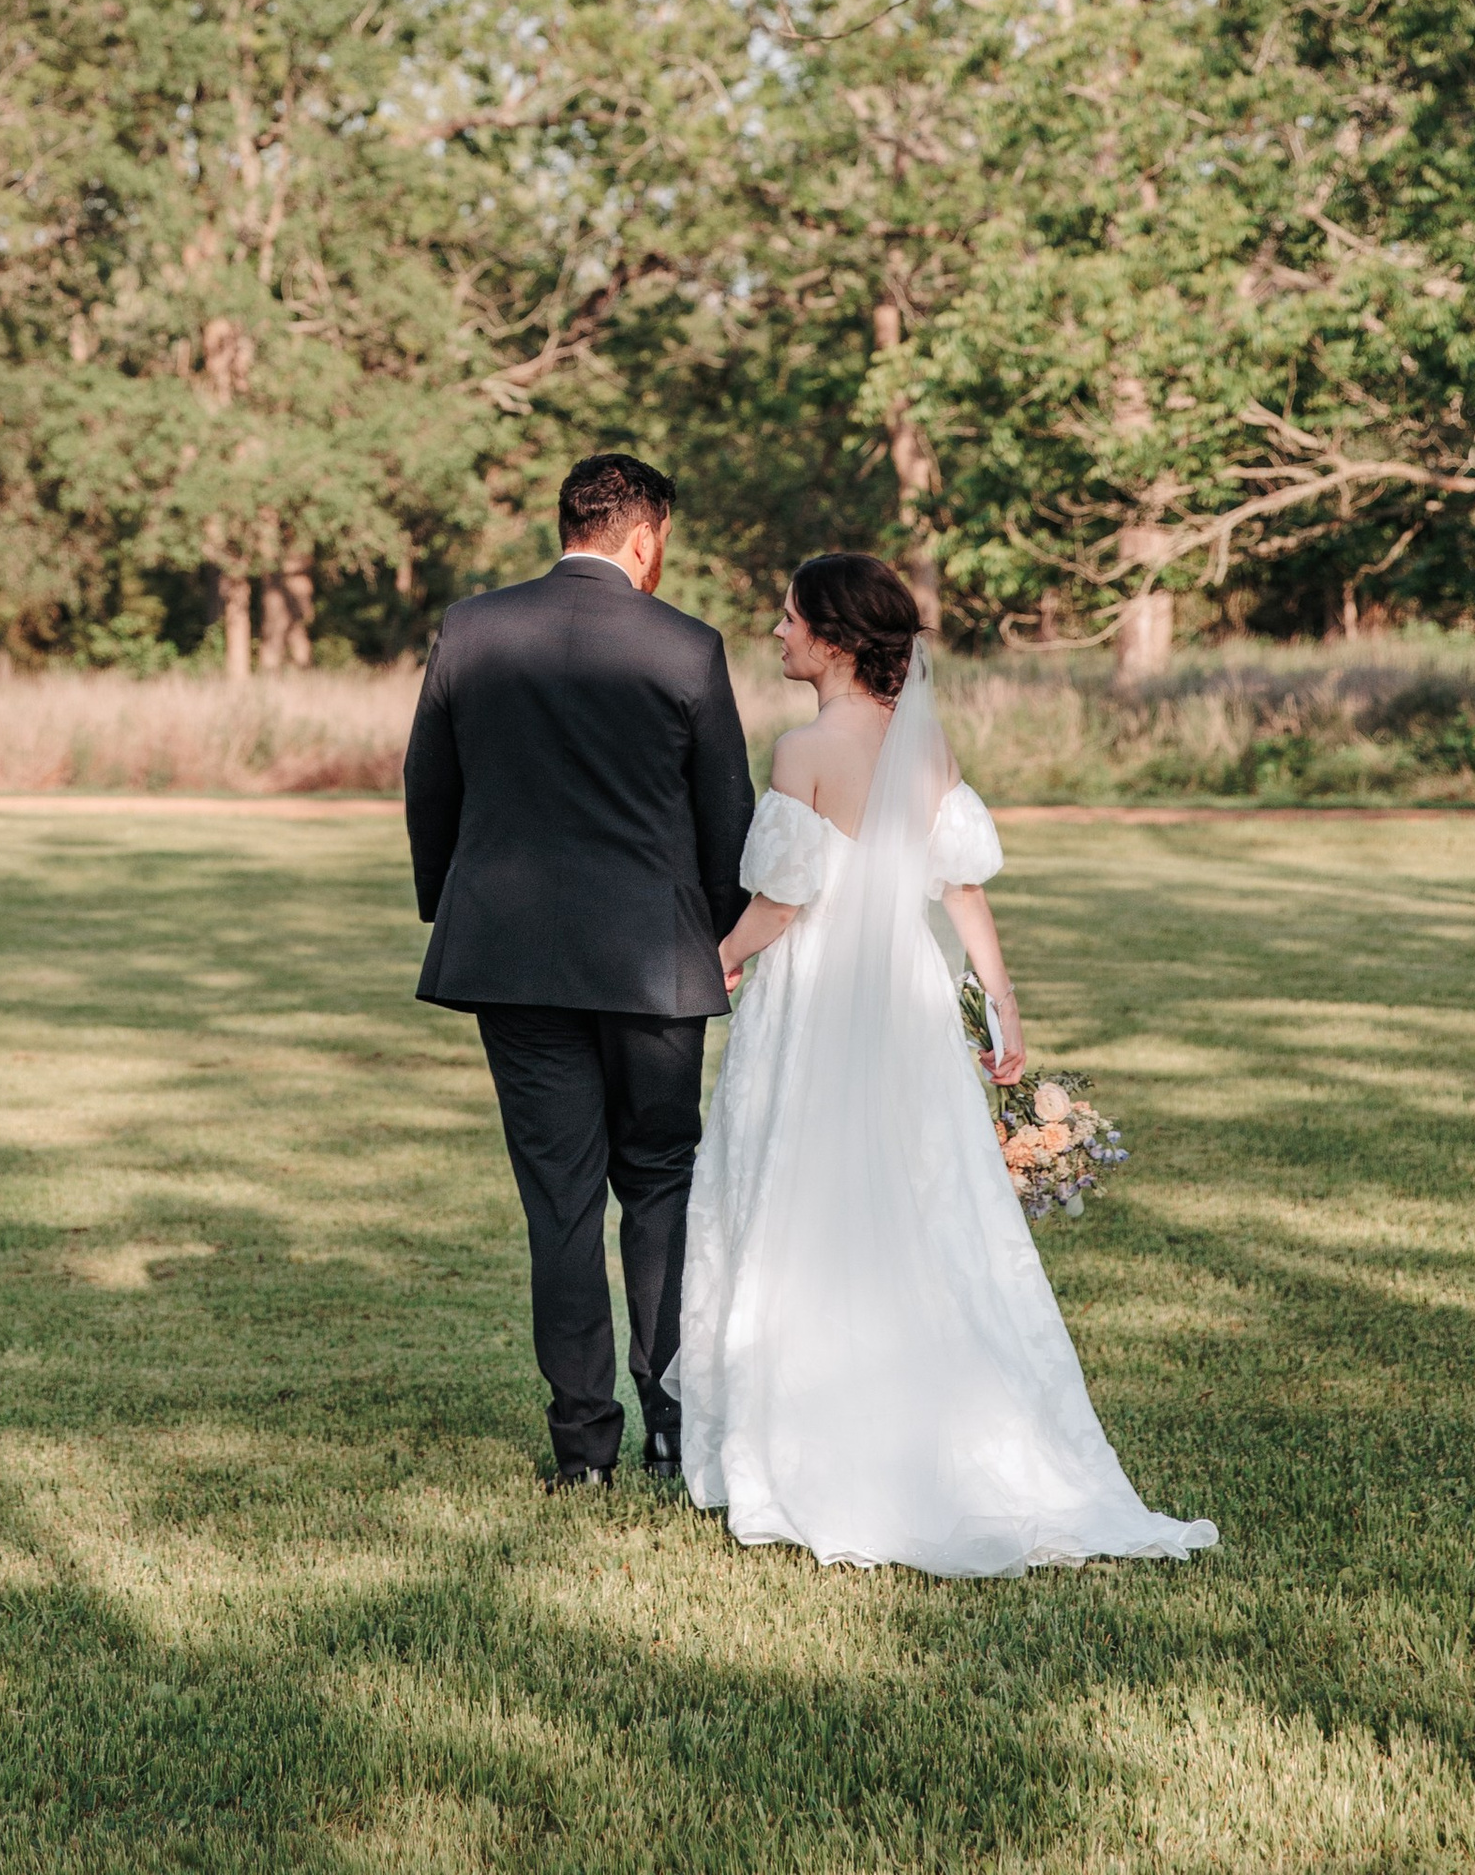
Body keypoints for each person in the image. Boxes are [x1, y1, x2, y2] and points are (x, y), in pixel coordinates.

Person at [672, 550, 1217, 1575]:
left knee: (801, 1195)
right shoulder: (927, 748)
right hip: (908, 1003)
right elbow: (962, 891)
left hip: (814, 1000)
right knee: (923, 1198)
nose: (777, 632)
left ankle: (807, 1443)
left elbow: (782, 904)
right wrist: (1001, 1006)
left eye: (789, 618)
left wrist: (715, 960)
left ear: (835, 639)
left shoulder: (801, 752)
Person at [403, 452, 755, 1488]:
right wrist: (726, 937)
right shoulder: (685, 645)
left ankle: (583, 1450)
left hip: (511, 955)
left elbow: (429, 783)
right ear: (643, 538)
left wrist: (451, 904)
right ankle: (671, 1426)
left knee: (558, 1202)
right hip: (656, 962)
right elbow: (723, 809)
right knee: (659, 1181)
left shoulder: (472, 628)